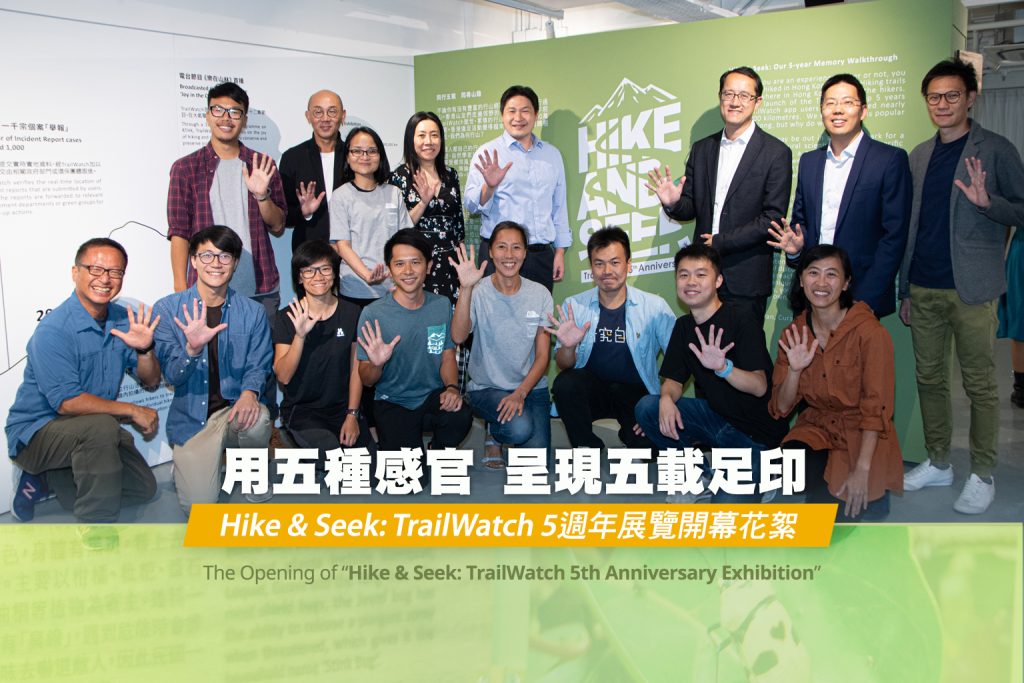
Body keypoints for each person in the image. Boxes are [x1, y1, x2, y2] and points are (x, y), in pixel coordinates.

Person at [898, 59, 1024, 514]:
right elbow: (912, 227)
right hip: (923, 286)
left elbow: (1021, 209)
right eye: (934, 97)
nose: (942, 104)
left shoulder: (996, 149)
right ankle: (938, 462)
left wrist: (989, 203)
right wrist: (905, 289)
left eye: (952, 95)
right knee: (929, 379)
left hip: (972, 289)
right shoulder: (918, 155)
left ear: (971, 98)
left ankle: (982, 472)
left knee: (980, 385)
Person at [6, 238, 159, 522]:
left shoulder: (121, 319)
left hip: (87, 431)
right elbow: (67, 403)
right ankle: (96, 525)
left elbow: (150, 381)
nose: (105, 279)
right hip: (38, 432)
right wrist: (132, 410)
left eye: (115, 272)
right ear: (75, 272)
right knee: (102, 427)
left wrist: (145, 349)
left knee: (143, 488)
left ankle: (50, 478)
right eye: (96, 269)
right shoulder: (53, 330)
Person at [167, 82, 285, 420]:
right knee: (213, 368)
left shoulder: (262, 164)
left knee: (261, 364)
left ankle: (265, 429)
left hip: (259, 286)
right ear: (207, 116)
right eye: (218, 110)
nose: (226, 118)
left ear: (244, 120)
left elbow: (278, 224)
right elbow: (179, 232)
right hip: (207, 291)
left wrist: (262, 195)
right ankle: (211, 432)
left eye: (235, 112)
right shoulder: (186, 168)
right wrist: (181, 288)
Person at [634, 243, 789, 502]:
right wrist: (666, 399)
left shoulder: (741, 319)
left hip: (754, 433)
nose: (691, 282)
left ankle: (765, 473)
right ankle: (699, 476)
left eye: (701, 274)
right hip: (716, 418)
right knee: (648, 407)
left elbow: (760, 386)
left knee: (724, 511)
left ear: (718, 281)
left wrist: (723, 367)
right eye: (684, 275)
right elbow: (673, 380)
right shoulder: (684, 326)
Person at [647, 67, 792, 324]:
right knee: (700, 345)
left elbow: (771, 218)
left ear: (757, 102)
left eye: (744, 96)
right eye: (729, 94)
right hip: (701, 276)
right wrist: (673, 204)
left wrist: (720, 242)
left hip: (745, 277)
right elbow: (690, 207)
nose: (735, 102)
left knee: (744, 348)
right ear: (720, 97)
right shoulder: (702, 149)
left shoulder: (776, 152)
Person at [769, 245, 902, 521]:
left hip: (859, 432)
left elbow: (876, 408)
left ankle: (858, 484)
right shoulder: (795, 333)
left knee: (852, 521)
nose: (821, 283)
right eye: (813, 273)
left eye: (831, 275)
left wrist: (862, 470)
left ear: (846, 283)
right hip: (818, 428)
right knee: (790, 468)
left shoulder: (870, 333)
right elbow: (781, 407)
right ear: (801, 279)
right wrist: (794, 370)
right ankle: (824, 483)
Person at [768, 74, 911, 318]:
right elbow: (801, 225)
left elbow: (894, 236)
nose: (837, 110)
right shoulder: (809, 162)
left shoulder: (889, 160)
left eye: (847, 102)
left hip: (862, 294)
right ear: (822, 110)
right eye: (830, 103)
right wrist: (795, 251)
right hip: (812, 294)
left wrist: (864, 300)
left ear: (863, 111)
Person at [153, 226, 273, 515]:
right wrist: (192, 350)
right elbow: (172, 375)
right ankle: (190, 464)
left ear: (234, 263)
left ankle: (252, 474)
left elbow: (259, 364)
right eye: (206, 255)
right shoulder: (168, 310)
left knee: (258, 420)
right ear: (193, 261)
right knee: (200, 508)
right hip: (193, 417)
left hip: (234, 410)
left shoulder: (252, 311)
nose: (216, 263)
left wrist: (249, 392)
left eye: (224, 256)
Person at [356, 229, 472, 483]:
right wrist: (376, 364)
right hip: (392, 401)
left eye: (415, 262)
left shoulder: (441, 305)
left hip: (431, 397)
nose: (408, 271)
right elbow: (367, 379)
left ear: (428, 266)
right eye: (399, 264)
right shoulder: (373, 313)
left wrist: (452, 388)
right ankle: (394, 447)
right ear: (389, 269)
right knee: (407, 483)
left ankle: (437, 451)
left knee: (459, 414)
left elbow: (447, 355)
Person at [547, 227, 674, 449]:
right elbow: (564, 365)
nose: (607, 271)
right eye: (599, 263)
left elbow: (677, 364)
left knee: (648, 447)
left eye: (615, 262)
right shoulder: (574, 306)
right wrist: (568, 347)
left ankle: (632, 434)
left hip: (635, 394)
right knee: (565, 384)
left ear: (628, 264)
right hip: (593, 392)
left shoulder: (654, 307)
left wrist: (662, 403)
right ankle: (587, 447)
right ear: (591, 267)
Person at [450, 222, 553, 468]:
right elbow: (458, 336)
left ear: (525, 252)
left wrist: (520, 393)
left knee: (535, 466)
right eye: (502, 247)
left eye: (516, 247)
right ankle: (494, 432)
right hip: (487, 388)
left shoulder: (540, 294)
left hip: (530, 388)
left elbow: (542, 356)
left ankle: (505, 422)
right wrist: (465, 289)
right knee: (519, 429)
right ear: (491, 252)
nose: (509, 255)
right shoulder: (478, 290)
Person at [272, 240, 373, 474]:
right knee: (334, 461)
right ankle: (299, 443)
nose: (318, 276)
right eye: (309, 271)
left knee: (367, 471)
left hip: (341, 409)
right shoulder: (288, 317)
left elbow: (356, 369)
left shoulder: (352, 312)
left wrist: (352, 415)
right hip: (303, 410)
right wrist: (299, 336)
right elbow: (283, 376)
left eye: (325, 269)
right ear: (299, 277)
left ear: (334, 273)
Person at [464, 85, 570, 291]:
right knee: (495, 311)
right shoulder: (487, 152)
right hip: (499, 256)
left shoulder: (552, 155)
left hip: (540, 255)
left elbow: (559, 207)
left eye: (525, 111)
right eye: (511, 111)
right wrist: (489, 186)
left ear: (536, 114)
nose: (518, 117)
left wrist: (559, 252)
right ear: (502, 115)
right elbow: (471, 205)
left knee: (539, 311)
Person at [330, 126, 413, 307]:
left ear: (380, 156)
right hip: (355, 288)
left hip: (393, 289)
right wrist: (367, 275)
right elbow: (343, 246)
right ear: (347, 157)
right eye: (357, 151)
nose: (365, 156)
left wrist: (399, 276)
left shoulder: (394, 193)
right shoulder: (340, 196)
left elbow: (405, 240)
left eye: (372, 151)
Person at [389, 111, 465, 303]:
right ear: (411, 139)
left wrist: (462, 262)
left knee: (452, 314)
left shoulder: (451, 175)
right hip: (417, 264)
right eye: (421, 135)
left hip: (451, 263)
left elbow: (458, 225)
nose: (428, 142)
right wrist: (423, 202)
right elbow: (398, 228)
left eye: (434, 135)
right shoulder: (400, 177)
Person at [279, 89, 347, 251]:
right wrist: (304, 212)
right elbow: (283, 216)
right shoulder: (292, 157)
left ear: (343, 116)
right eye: (318, 112)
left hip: (352, 252)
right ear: (308, 116)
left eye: (332, 111)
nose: (325, 118)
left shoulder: (355, 157)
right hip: (309, 253)